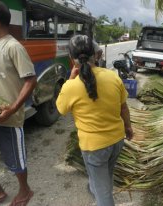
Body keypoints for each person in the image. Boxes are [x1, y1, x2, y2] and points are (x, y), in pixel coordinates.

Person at [56, 35, 133, 206]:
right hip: (117, 140)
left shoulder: (71, 86)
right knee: (106, 173)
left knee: (103, 193)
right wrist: (128, 128)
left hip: (94, 147)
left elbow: (61, 110)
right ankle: (96, 190)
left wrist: (69, 79)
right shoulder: (113, 77)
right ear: (96, 55)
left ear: (71, 58)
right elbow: (124, 108)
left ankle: (100, 195)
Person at [0, 1, 36, 205]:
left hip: (8, 116)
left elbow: (31, 80)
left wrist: (13, 108)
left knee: (15, 159)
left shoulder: (13, 47)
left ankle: (25, 191)